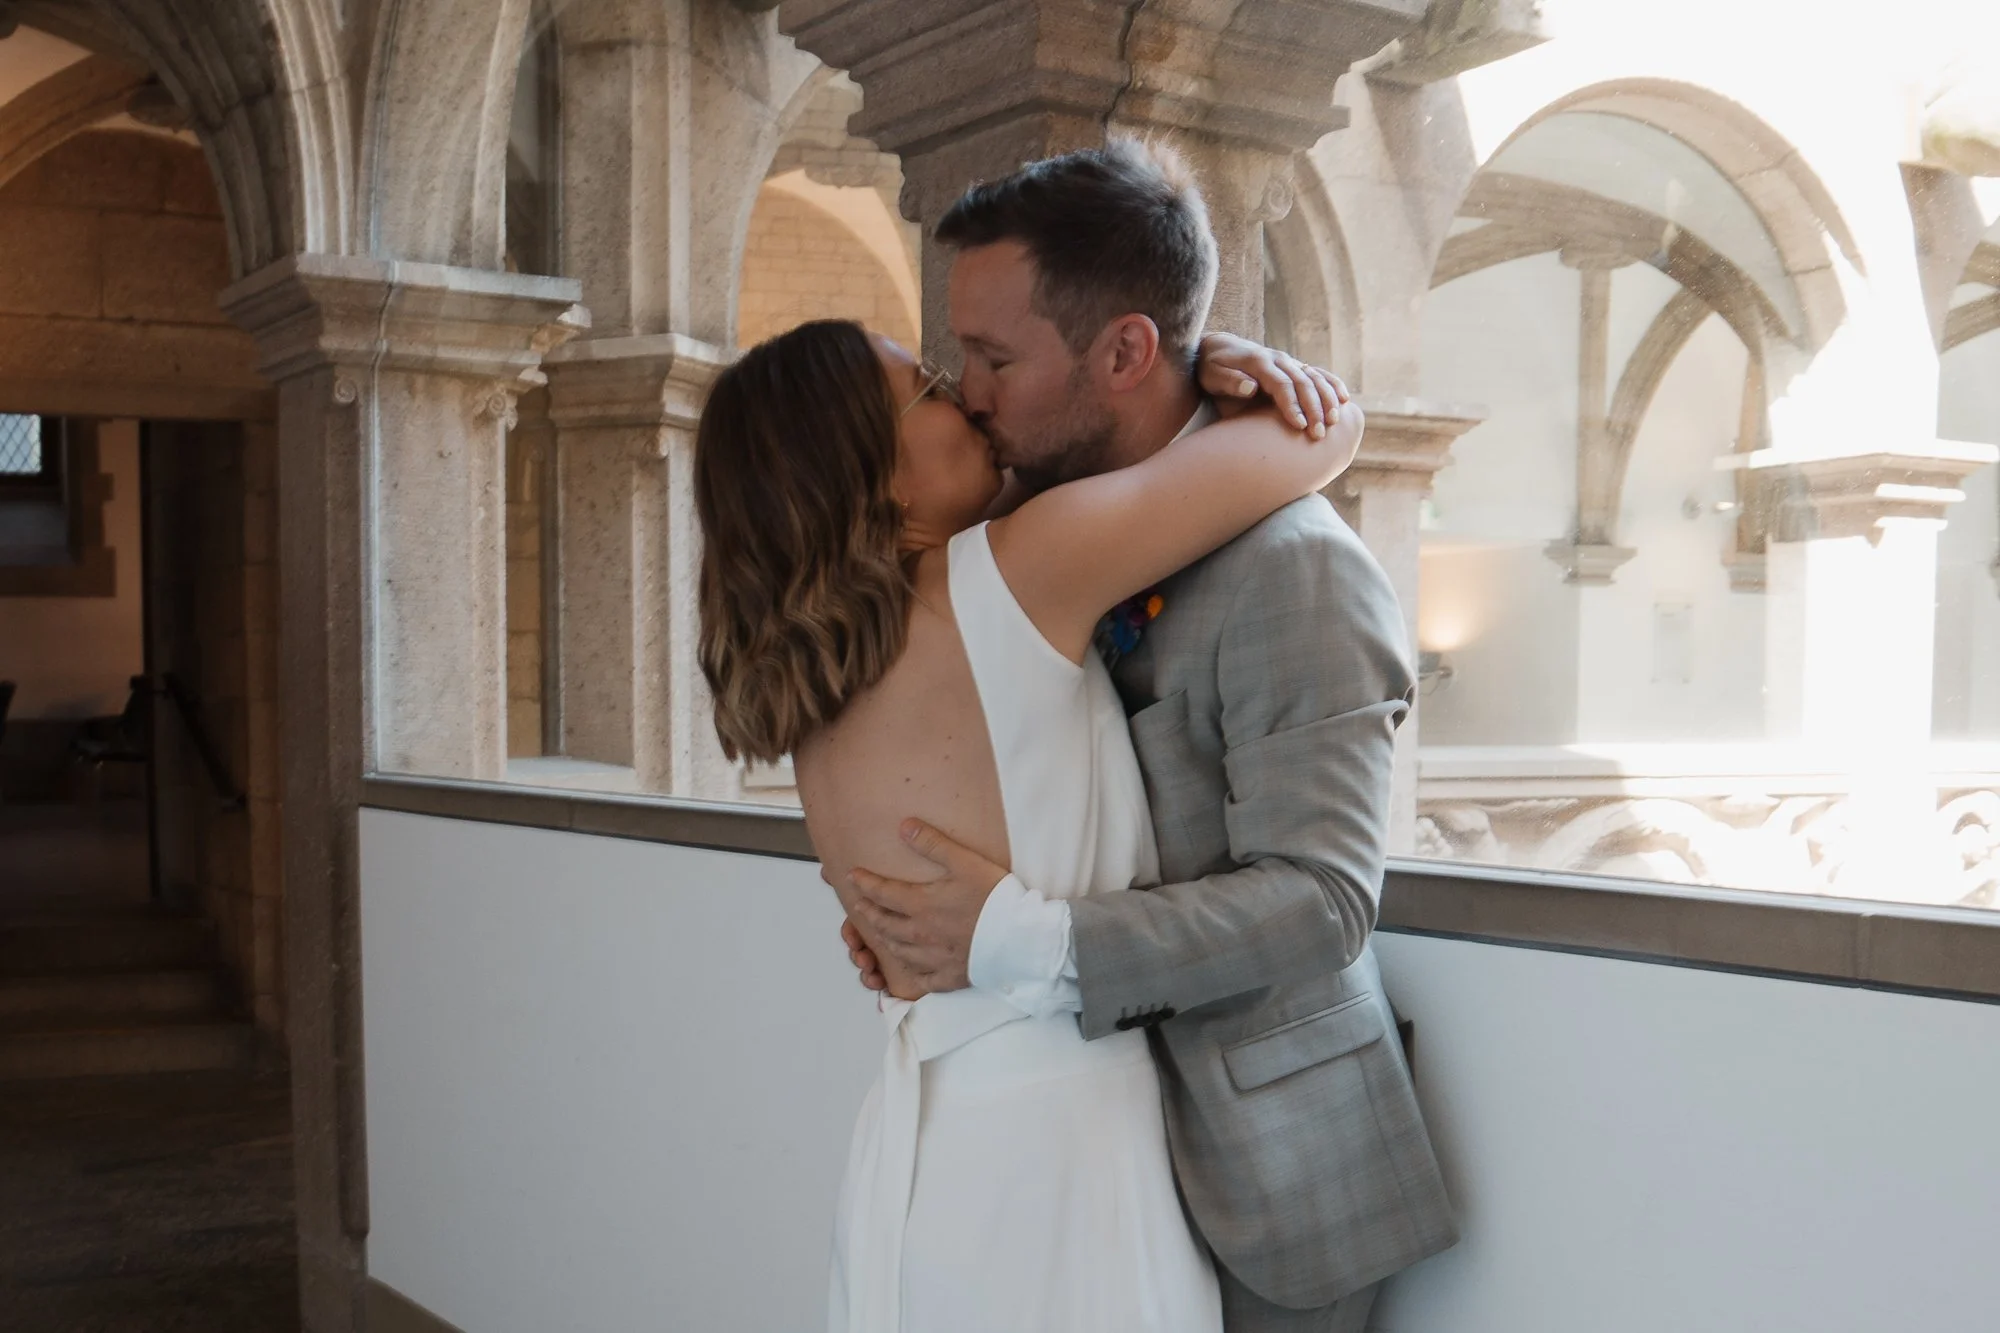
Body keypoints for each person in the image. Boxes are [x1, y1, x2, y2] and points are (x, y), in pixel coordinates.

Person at [693, 179, 1359, 1333]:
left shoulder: (823, 677)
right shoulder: (1012, 572)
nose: (968, 399)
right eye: (932, 388)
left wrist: (1180, 355)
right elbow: (1315, 438)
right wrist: (1228, 367)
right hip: (1054, 1146)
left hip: (919, 1134)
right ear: (873, 472)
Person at [836, 140, 1459, 1332]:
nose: (967, 393)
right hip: (1075, 1156)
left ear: (1122, 352)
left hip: (1265, 1179)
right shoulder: (1018, 519)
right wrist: (907, 920)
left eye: (994, 358)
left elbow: (1322, 900)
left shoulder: (1297, 566)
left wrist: (1010, 939)